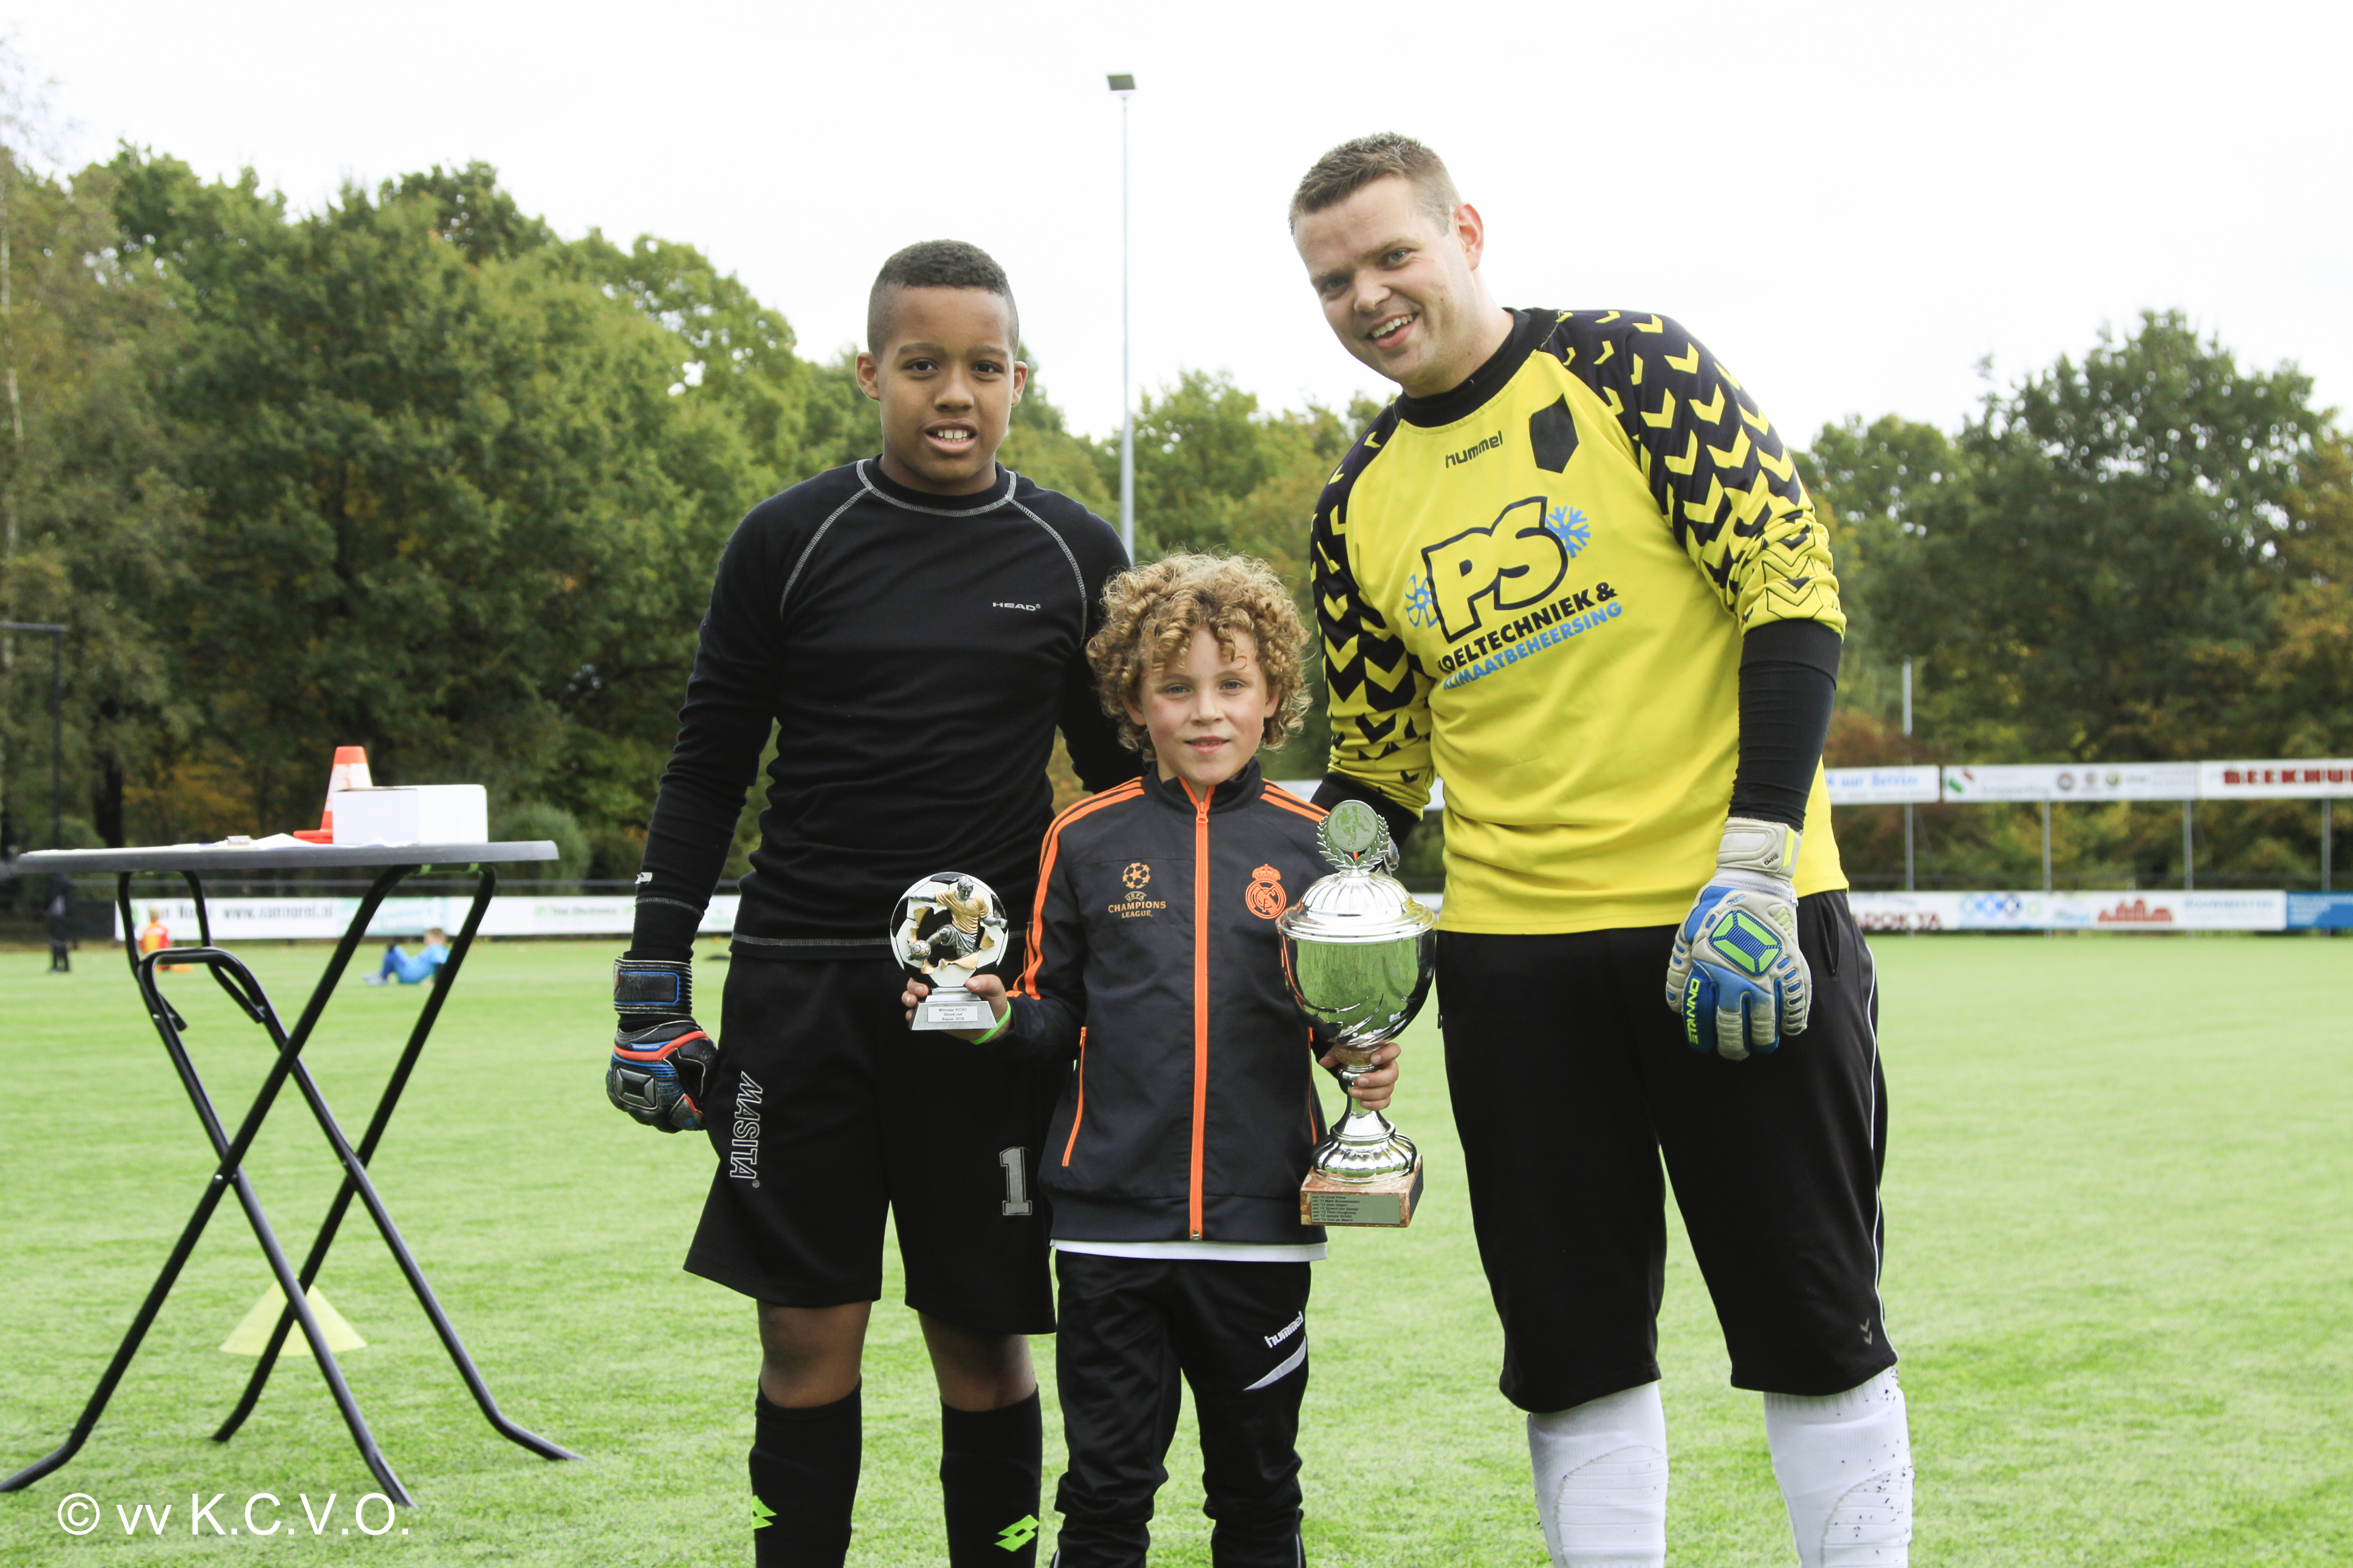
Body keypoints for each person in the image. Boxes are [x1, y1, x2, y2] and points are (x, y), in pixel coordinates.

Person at [1286, 134, 1912, 1568]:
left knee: (1813, 1321)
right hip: (1514, 958)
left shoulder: (1634, 365)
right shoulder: (1354, 501)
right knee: (1569, 1349)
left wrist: (1755, 859)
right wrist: (1337, 925)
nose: (1367, 296)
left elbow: (1788, 589)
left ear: (1466, 233)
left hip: (1733, 923)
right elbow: (1380, 757)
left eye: (1392, 255)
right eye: (1331, 281)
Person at [602, 240, 1135, 1568]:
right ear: (868, 372)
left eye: (984, 367)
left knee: (983, 1338)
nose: (954, 393)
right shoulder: (787, 539)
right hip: (796, 994)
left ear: (1019, 379)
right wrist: (650, 984)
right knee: (805, 1332)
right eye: (922, 365)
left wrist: (1126, 973)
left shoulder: (1073, 550)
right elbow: (707, 766)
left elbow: (1118, 789)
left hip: (981, 1007)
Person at [902, 552, 1401, 1567]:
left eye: (1233, 684)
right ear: (1135, 703)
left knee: (1260, 1494)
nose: (1206, 712)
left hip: (1261, 1225)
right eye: (1177, 688)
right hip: (1109, 1229)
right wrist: (994, 1021)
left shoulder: (1321, 847)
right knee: (1104, 1496)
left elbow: (1335, 1011)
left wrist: (1358, 1057)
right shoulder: (1083, 837)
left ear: (1274, 697)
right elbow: (1054, 1013)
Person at [364, 927, 448, 986]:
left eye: (427, 938)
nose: (425, 941)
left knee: (393, 949)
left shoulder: (436, 948)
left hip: (410, 974)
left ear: (437, 938)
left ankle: (382, 977)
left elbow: (440, 965)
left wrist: (435, 983)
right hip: (410, 974)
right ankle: (381, 976)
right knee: (393, 952)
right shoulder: (443, 951)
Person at [46, 873, 72, 973]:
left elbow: (51, 898)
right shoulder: (65, 882)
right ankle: (66, 966)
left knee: (56, 941)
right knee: (61, 941)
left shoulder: (56, 883)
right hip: (63, 915)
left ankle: (57, 966)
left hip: (57, 916)